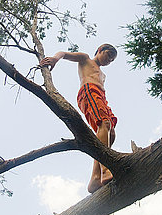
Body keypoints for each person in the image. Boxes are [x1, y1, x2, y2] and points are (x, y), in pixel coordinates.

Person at [39, 44, 118, 193]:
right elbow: (63, 53)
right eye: (108, 55)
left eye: (112, 60)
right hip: (89, 91)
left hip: (101, 96)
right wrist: (55, 59)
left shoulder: (103, 74)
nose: (109, 60)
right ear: (100, 50)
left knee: (111, 133)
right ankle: (105, 170)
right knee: (104, 124)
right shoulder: (86, 59)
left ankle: (95, 177)